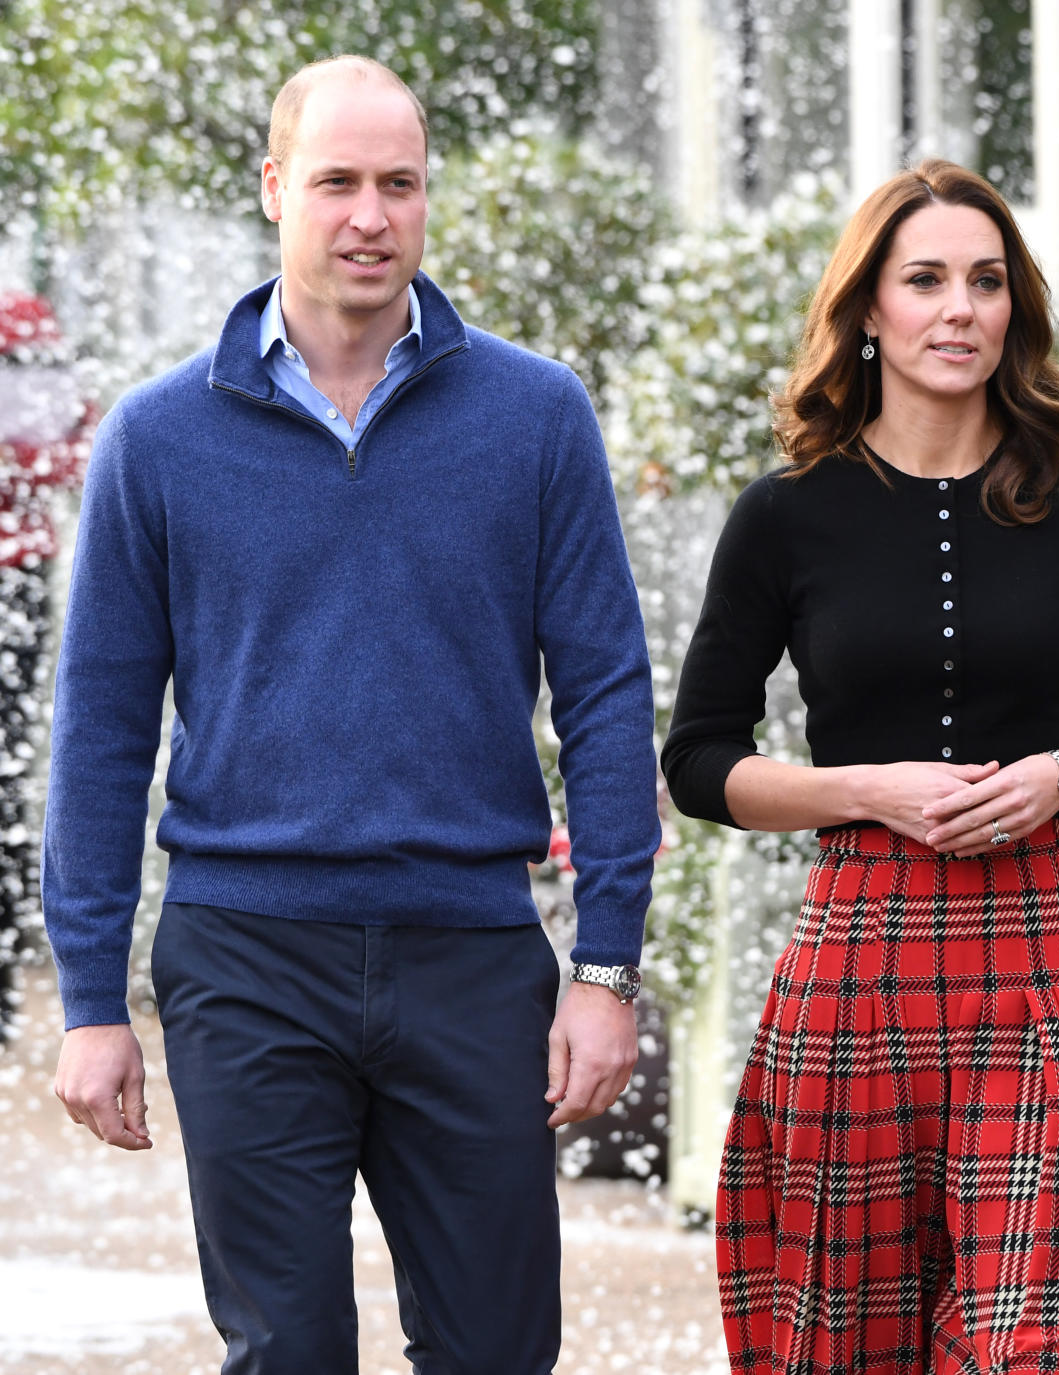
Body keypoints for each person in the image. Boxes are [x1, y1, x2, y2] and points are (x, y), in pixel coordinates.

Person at [44, 55, 660, 1375]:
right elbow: (101, 730)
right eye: (336, 181)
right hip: (245, 955)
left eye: (399, 183)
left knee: (497, 1348)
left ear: (428, 199)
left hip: (474, 953)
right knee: (288, 1351)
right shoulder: (158, 438)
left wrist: (605, 970)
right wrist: (91, 997)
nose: (368, 214)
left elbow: (605, 698)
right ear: (276, 189)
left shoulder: (535, 416)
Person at [662, 159, 1059, 1375]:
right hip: (862, 957)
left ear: (1017, 311)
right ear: (867, 314)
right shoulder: (785, 514)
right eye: (927, 279)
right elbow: (698, 759)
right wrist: (865, 790)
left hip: (1037, 948)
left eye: (988, 281)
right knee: (844, 1344)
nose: (961, 308)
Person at [0, 292, 96, 1031]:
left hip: (12, 577)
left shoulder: (22, 318)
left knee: (3, 773)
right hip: (20, 567)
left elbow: (75, 445)